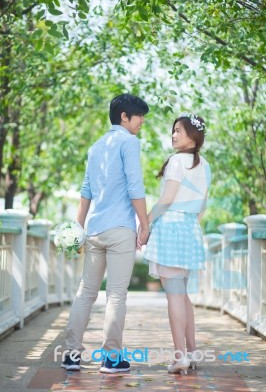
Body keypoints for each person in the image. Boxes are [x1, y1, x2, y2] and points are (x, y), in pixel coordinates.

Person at [61, 93, 150, 373]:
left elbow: (86, 191)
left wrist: (78, 227)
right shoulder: (128, 142)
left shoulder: (96, 146)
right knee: (115, 295)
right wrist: (144, 223)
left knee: (85, 293)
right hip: (120, 228)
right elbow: (135, 186)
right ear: (124, 116)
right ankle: (111, 359)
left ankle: (70, 355)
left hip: (95, 230)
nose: (142, 123)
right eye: (139, 117)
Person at [143, 113, 211, 374]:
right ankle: (191, 352)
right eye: (173, 131)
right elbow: (202, 204)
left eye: (178, 131)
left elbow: (167, 198)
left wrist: (146, 224)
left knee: (174, 295)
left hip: (170, 227)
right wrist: (191, 225)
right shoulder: (204, 164)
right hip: (190, 228)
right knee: (182, 295)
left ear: (193, 136)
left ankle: (180, 355)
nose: (173, 135)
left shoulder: (176, 161)